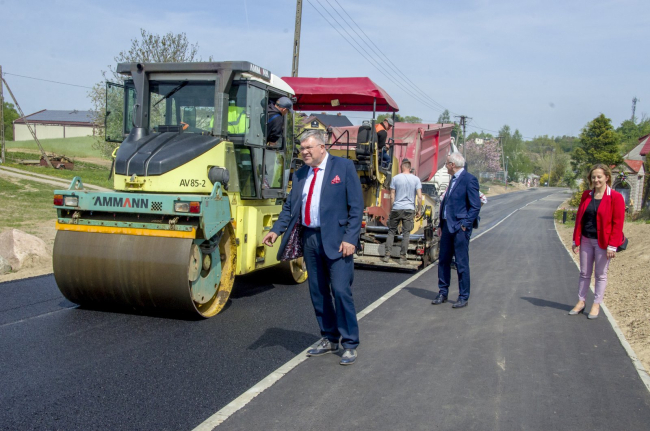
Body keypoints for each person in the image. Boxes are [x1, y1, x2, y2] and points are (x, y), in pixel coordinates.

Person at [262, 130, 364, 365]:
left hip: (339, 241)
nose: (304, 152)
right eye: (302, 148)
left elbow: (356, 207)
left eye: (308, 148)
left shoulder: (344, 167)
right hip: (310, 239)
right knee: (318, 292)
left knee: (340, 290)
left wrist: (351, 238)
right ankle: (329, 338)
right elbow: (289, 208)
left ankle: (349, 343)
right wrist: (275, 230)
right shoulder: (299, 175)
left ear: (322, 147)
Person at [569, 164, 625, 319]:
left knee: (600, 274)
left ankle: (596, 304)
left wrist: (612, 246)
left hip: (604, 243)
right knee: (584, 273)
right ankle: (581, 302)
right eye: (593, 177)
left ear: (606, 177)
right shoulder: (587, 195)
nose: (596, 180)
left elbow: (618, 223)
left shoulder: (615, 197)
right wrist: (576, 239)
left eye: (599, 176)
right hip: (586, 239)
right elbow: (580, 218)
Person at [432, 152, 481, 309]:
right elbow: (446, 203)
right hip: (447, 226)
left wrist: (465, 224)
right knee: (444, 260)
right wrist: (441, 224)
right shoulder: (452, 179)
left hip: (460, 228)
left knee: (461, 263)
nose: (445, 166)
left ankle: (463, 296)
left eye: (446, 164)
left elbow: (475, 206)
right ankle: (443, 292)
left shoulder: (469, 179)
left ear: (453, 164)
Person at [381, 159, 422, 264]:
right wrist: (419, 210)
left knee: (391, 231)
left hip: (397, 208)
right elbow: (420, 197)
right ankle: (402, 257)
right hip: (409, 209)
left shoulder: (395, 178)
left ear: (401, 167)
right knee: (406, 233)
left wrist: (392, 208)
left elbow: (392, 195)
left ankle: (387, 255)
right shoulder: (416, 179)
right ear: (410, 168)